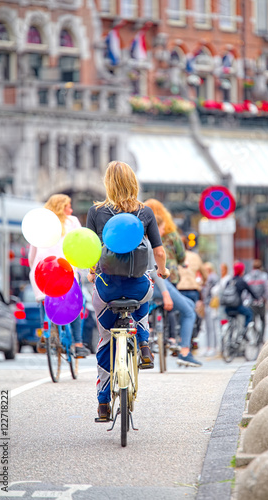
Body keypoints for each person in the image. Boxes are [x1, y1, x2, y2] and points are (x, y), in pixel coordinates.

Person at [86, 161, 169, 422]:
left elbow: (89, 248)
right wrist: (163, 270)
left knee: (105, 339)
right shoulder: (144, 212)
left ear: (108, 183)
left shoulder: (95, 212)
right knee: (148, 292)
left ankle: (102, 403)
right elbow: (158, 251)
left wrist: (91, 271)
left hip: (107, 288)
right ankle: (144, 341)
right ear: (133, 182)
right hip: (137, 284)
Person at [28, 194, 90, 358]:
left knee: (44, 299)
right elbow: (79, 244)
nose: (71, 209)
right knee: (77, 303)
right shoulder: (72, 221)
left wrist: (33, 268)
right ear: (62, 207)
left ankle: (46, 331)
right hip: (65, 270)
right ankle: (77, 343)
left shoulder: (40, 224)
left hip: (43, 270)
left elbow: (32, 255)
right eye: (68, 206)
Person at [144, 199, 202, 367]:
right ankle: (184, 351)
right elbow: (155, 270)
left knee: (188, 304)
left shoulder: (138, 239)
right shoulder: (162, 239)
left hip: (149, 285)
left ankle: (162, 334)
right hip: (161, 282)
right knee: (187, 311)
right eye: (159, 229)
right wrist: (165, 292)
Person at [224, 261, 257, 332]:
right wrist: (257, 298)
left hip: (227, 308)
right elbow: (251, 292)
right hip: (237, 307)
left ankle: (230, 336)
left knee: (230, 320)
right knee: (249, 313)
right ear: (242, 270)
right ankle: (244, 332)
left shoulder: (229, 281)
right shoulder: (242, 281)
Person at [244, 259, 268, 345]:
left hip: (252, 302)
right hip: (261, 301)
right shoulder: (264, 276)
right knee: (263, 320)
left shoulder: (247, 277)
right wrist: (265, 298)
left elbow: (245, 292)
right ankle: (261, 338)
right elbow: (267, 289)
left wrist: (247, 300)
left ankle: (256, 335)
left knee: (253, 321)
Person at [201, 262, 219, 356]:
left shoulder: (212, 277)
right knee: (208, 327)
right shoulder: (210, 277)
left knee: (211, 327)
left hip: (210, 304)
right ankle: (209, 347)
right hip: (207, 304)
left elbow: (210, 291)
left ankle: (212, 347)